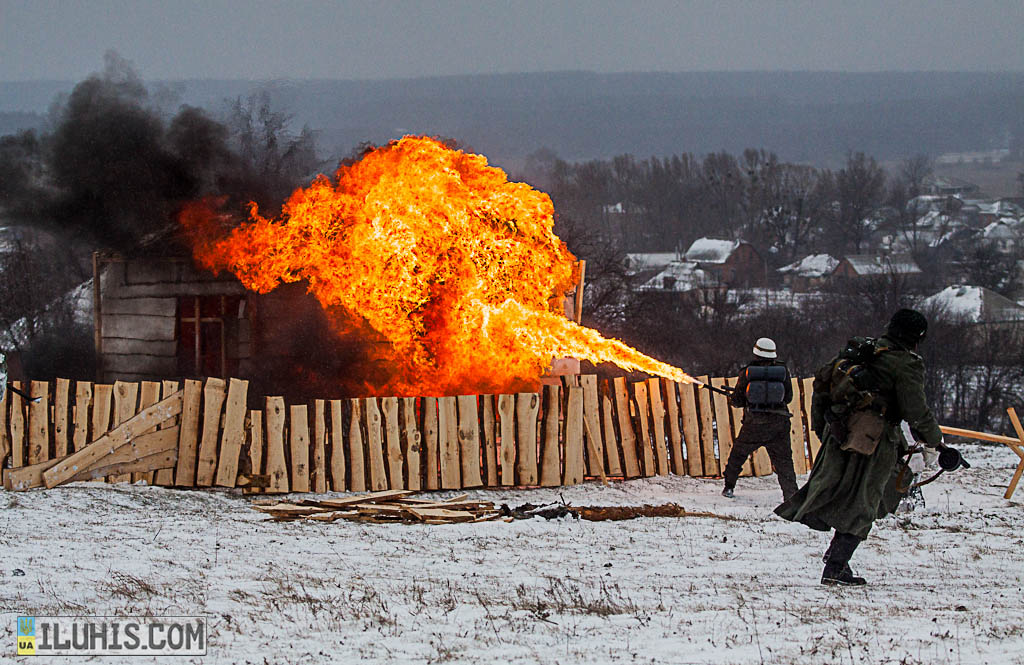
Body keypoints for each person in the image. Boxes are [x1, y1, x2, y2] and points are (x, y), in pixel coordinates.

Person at [775, 309, 943, 586]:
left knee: (843, 491)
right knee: (866, 500)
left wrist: (822, 428)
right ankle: (837, 568)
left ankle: (836, 557)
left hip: (840, 433)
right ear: (916, 338)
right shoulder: (904, 363)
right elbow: (916, 410)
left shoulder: (860, 351)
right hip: (873, 441)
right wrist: (935, 441)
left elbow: (822, 384)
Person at [721, 337, 798, 501]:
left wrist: (734, 398)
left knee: (738, 455)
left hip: (754, 425)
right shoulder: (783, 370)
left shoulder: (747, 372)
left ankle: (729, 487)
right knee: (784, 461)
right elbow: (789, 397)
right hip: (779, 423)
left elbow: (738, 400)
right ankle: (791, 495)